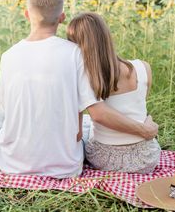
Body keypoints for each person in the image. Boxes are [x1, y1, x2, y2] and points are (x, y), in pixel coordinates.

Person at [0, 0, 158, 178]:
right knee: (83, 122)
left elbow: (6, 109)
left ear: (27, 15)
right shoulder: (75, 53)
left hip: (12, 164)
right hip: (66, 166)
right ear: (61, 17)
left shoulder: (8, 56)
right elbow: (89, 118)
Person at [67, 12, 161, 173]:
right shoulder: (143, 67)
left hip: (105, 159)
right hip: (146, 158)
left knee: (86, 125)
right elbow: (138, 109)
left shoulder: (85, 78)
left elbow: (78, 132)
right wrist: (145, 128)